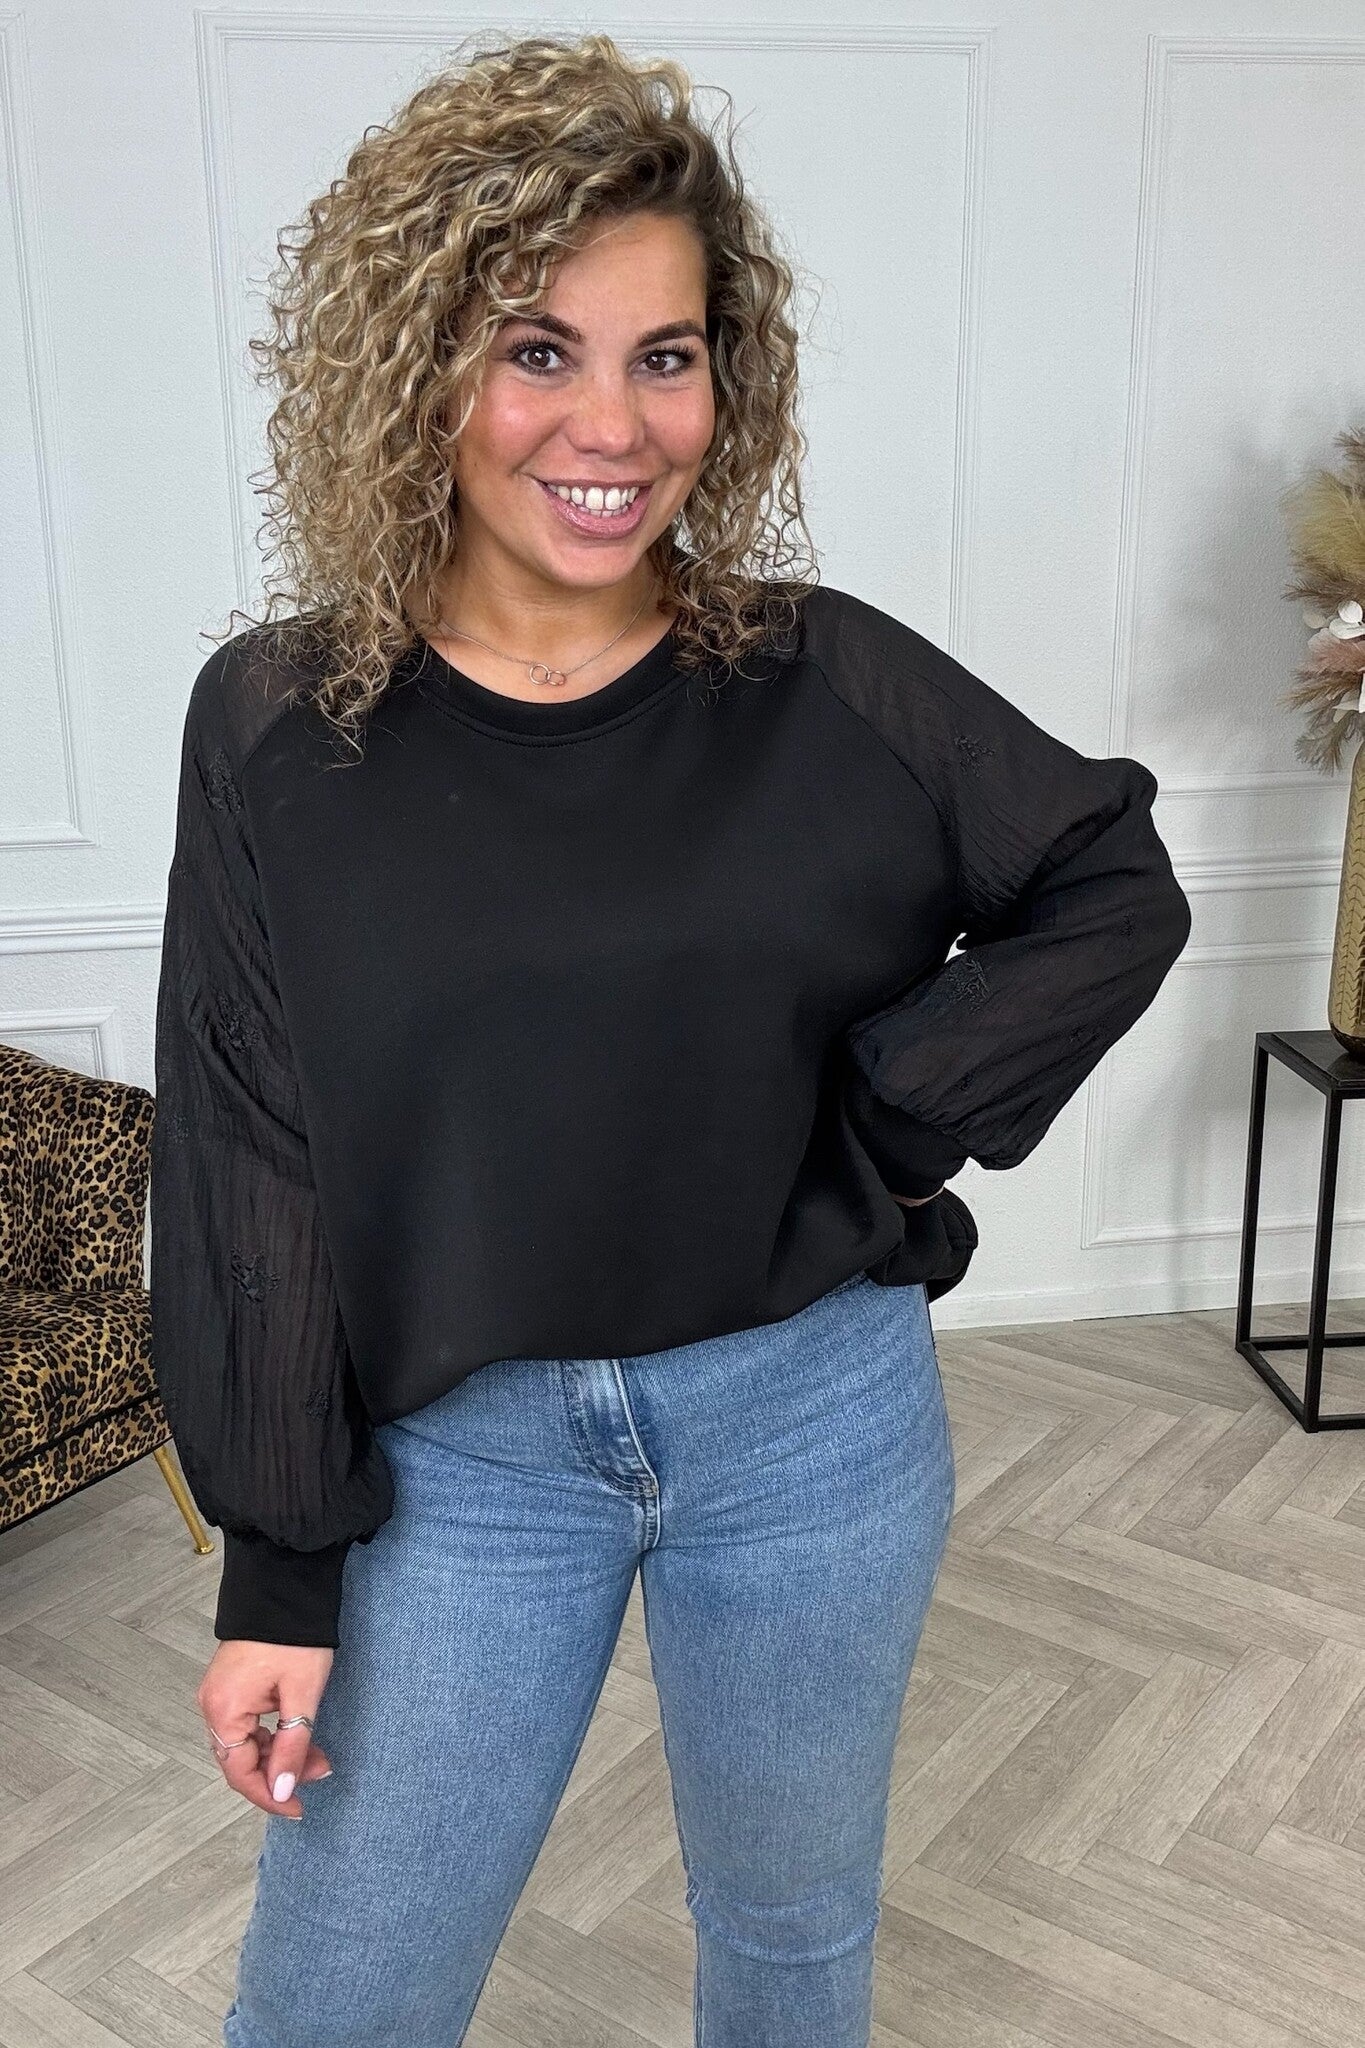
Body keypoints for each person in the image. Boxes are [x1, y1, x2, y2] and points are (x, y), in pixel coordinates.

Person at [147, 31, 1191, 2048]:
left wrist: (876, 1120)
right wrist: (277, 1570)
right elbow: (250, 1146)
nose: (612, 424)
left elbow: (1106, 884)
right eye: (535, 351)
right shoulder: (278, 723)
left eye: (666, 355)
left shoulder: (826, 681)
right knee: (342, 2000)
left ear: (732, 379)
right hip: (458, 1468)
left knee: (789, 1946)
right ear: (415, 370)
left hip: (812, 1428)